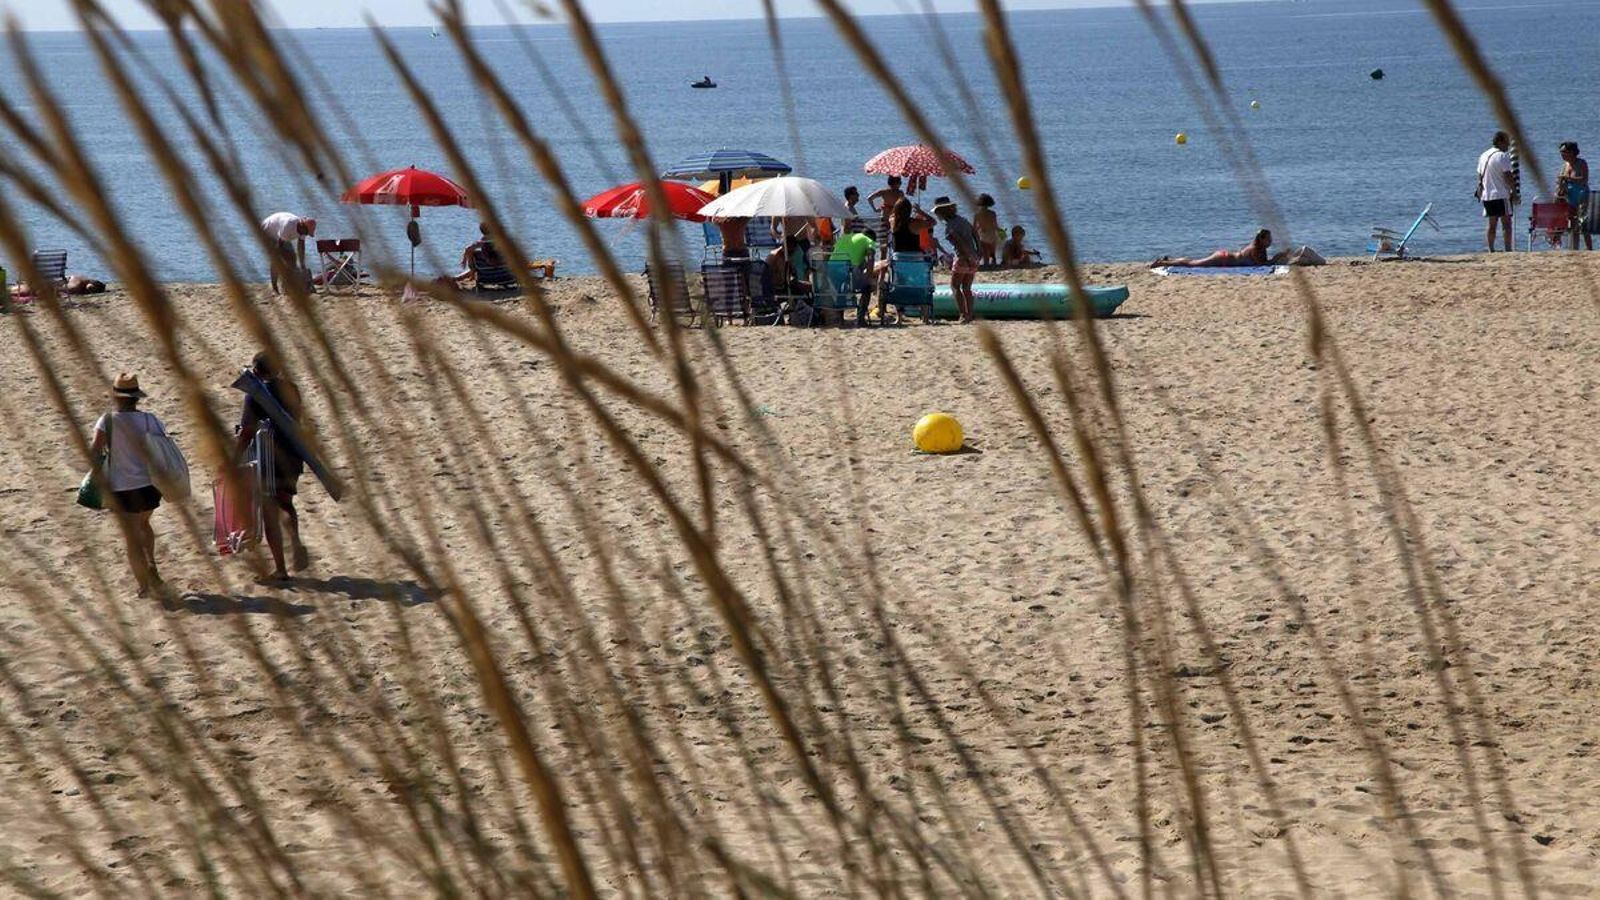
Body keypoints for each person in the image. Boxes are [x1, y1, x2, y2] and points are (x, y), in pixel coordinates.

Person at [91, 373, 171, 599]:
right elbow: (163, 445)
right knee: (144, 524)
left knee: (132, 537)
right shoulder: (150, 420)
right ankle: (152, 564)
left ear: (116, 397)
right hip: (149, 485)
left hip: (122, 487)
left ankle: (144, 585)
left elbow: (94, 451)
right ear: (136, 397)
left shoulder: (107, 421)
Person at [234, 351, 310, 582]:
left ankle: (280, 570)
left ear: (256, 370)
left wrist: (233, 459)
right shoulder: (292, 389)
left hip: (269, 457)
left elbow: (247, 432)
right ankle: (295, 540)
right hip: (293, 454)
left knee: (269, 512)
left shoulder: (255, 394)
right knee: (285, 501)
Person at [932, 197, 980, 323]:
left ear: (941, 213)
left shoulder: (950, 227)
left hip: (963, 258)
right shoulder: (963, 220)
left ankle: (963, 315)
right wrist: (978, 251)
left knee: (954, 286)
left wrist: (967, 256)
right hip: (974, 257)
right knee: (967, 288)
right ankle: (970, 314)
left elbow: (959, 242)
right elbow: (975, 233)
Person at [1151, 229, 1274, 268]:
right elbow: (1262, 265)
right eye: (1268, 239)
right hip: (1223, 259)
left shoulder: (1260, 248)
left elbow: (1264, 262)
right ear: (1261, 239)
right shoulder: (1255, 249)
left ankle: (1170, 260)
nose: (1270, 241)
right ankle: (1162, 263)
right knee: (1193, 264)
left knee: (1193, 261)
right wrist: (1277, 258)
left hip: (1225, 256)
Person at [1476, 131, 1516, 253]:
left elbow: (1479, 176)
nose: (1508, 145)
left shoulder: (1483, 155)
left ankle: (1491, 249)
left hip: (1487, 195)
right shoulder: (1502, 156)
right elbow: (1508, 175)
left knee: (1491, 224)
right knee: (1506, 224)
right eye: (1506, 142)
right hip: (1501, 194)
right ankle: (1508, 249)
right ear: (1500, 142)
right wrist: (1514, 190)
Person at [829, 227, 878, 323]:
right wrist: (869, 277)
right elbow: (871, 258)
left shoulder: (845, 238)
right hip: (848, 273)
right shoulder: (869, 240)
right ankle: (861, 317)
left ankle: (840, 318)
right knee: (868, 287)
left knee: (841, 288)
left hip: (831, 272)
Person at [261, 211, 316, 295]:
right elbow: (279, 248)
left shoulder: (304, 229)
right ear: (302, 227)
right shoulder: (288, 226)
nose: (306, 234)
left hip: (280, 233)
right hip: (267, 231)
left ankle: (289, 286)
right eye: (306, 232)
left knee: (292, 258)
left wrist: (302, 265)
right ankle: (275, 288)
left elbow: (301, 247)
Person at [1556, 141, 1592, 251]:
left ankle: (1589, 248)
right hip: (1569, 197)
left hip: (1582, 196)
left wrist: (1569, 178)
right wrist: (1560, 187)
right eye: (1561, 152)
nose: (1562, 154)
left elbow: (1584, 180)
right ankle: (1575, 249)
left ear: (1571, 152)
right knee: (1573, 224)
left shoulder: (1581, 163)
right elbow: (1560, 182)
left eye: (1564, 152)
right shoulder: (1565, 165)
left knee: (1583, 223)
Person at [973, 193, 1001, 267]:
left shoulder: (977, 214)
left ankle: (986, 265)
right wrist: (1001, 232)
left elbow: (974, 227)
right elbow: (995, 225)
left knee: (985, 254)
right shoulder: (992, 213)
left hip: (983, 235)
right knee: (992, 254)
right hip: (992, 235)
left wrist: (975, 233)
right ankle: (994, 265)